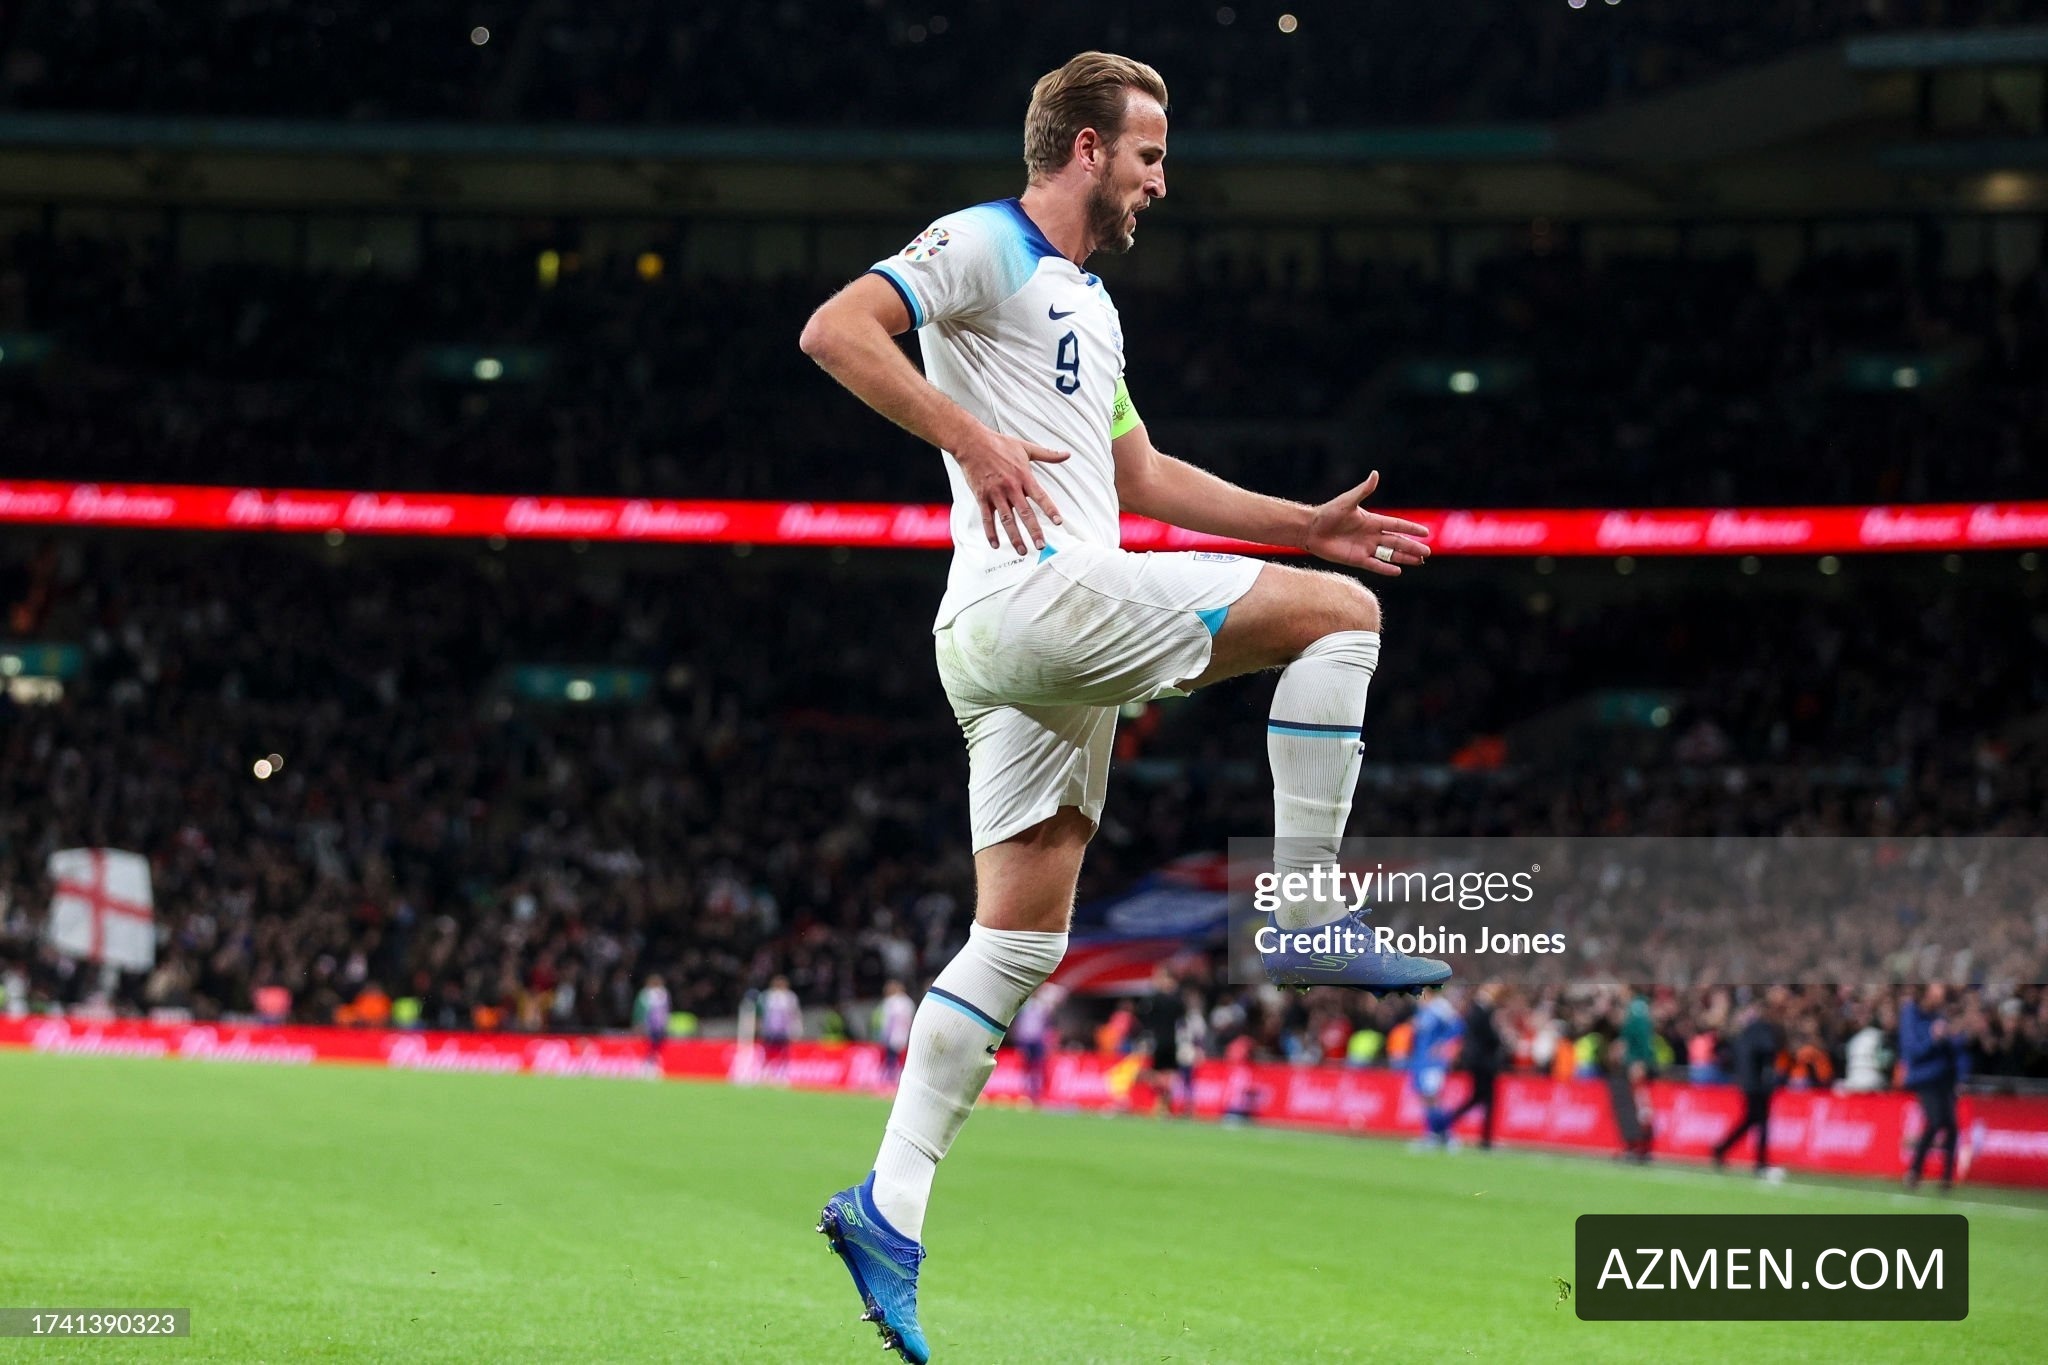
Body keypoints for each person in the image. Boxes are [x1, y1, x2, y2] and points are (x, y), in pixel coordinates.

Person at [800, 50, 1446, 1361]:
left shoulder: (1089, 304)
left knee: (1017, 943)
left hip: (1019, 635)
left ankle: (887, 1208)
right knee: (1344, 621)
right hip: (1033, 598)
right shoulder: (985, 242)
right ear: (1087, 148)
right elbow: (836, 331)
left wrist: (1303, 525)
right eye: (1149, 154)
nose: (1161, 180)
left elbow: (1139, 474)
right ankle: (1304, 908)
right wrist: (968, 437)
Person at [1900, 984, 1970, 1192]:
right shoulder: (1911, 1014)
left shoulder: (1939, 1016)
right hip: (1925, 1078)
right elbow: (1913, 1050)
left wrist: (1953, 1037)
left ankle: (1944, 1176)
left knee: (1950, 1126)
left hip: (1945, 1078)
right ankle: (1915, 1171)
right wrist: (1933, 1037)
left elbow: (1955, 1051)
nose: (1940, 998)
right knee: (1937, 1121)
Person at [1712, 999, 1785, 1176]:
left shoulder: (1746, 1031)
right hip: (1758, 1084)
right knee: (1761, 1121)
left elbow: (1732, 1053)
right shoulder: (1763, 1030)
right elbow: (1768, 1051)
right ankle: (1761, 1162)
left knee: (1751, 1119)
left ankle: (1722, 1147)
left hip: (1747, 1082)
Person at [1435, 984, 1503, 1149]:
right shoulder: (1480, 1012)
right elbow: (1488, 1037)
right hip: (1483, 1064)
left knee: (1479, 1099)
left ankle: (1448, 1124)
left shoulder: (1478, 1011)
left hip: (1479, 1062)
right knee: (1483, 1099)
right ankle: (1483, 1139)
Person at [759, 975, 801, 1081]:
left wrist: (796, 1029)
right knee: (768, 1052)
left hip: (784, 1031)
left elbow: (795, 1014)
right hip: (770, 1030)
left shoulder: (790, 997)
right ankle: (766, 1073)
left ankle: (782, 1074)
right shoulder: (767, 996)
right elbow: (762, 1013)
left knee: (784, 1053)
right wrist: (761, 1026)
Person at [877, 980, 917, 1087]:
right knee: (897, 1057)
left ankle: (891, 1079)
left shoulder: (891, 1002)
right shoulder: (908, 1002)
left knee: (892, 1057)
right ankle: (895, 1078)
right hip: (903, 1033)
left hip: (894, 1034)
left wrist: (884, 1034)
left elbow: (887, 1020)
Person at [633, 973, 671, 1071]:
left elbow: (666, 1010)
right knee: (649, 1044)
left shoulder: (663, 994)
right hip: (649, 1024)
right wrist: (638, 1022)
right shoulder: (645, 994)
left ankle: (652, 1062)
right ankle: (648, 1062)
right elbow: (640, 1010)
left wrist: (665, 1022)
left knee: (656, 1044)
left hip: (658, 1025)